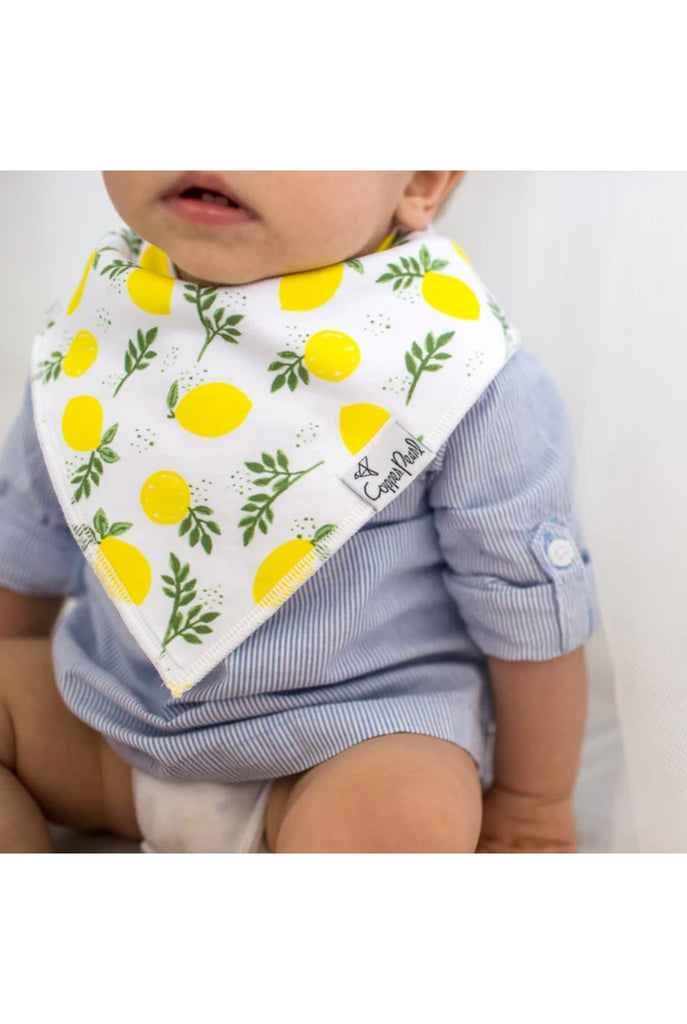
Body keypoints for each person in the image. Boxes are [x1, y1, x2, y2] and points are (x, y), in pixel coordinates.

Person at [0, 171, 598, 853]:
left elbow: (526, 604)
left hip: (348, 740)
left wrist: (531, 799)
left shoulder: (454, 368)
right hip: (104, 723)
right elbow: (27, 531)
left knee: (405, 817)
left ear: (420, 181)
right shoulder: (104, 323)